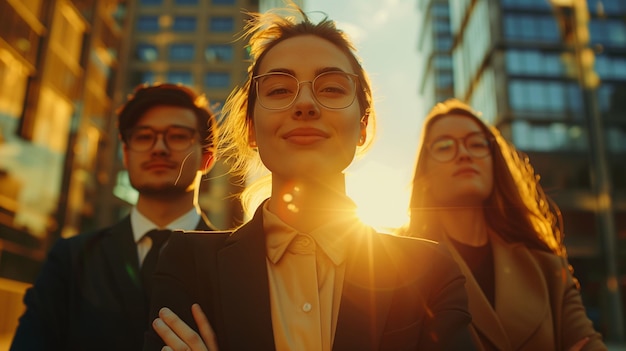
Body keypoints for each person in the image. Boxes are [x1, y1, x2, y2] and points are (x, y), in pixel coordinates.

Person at [143, 4, 476, 351]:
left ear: (362, 126)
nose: (305, 104)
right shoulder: (187, 261)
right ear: (252, 129)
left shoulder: (430, 270)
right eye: (278, 90)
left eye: (331, 88)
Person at [10, 83, 219, 351]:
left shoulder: (234, 263)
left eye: (178, 136)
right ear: (126, 154)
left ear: (207, 157)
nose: (159, 147)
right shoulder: (71, 259)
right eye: (144, 137)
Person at [401, 98, 606, 350]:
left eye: (476, 144)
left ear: (494, 162)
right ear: (426, 173)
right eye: (444, 146)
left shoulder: (547, 267)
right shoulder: (400, 266)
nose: (464, 154)